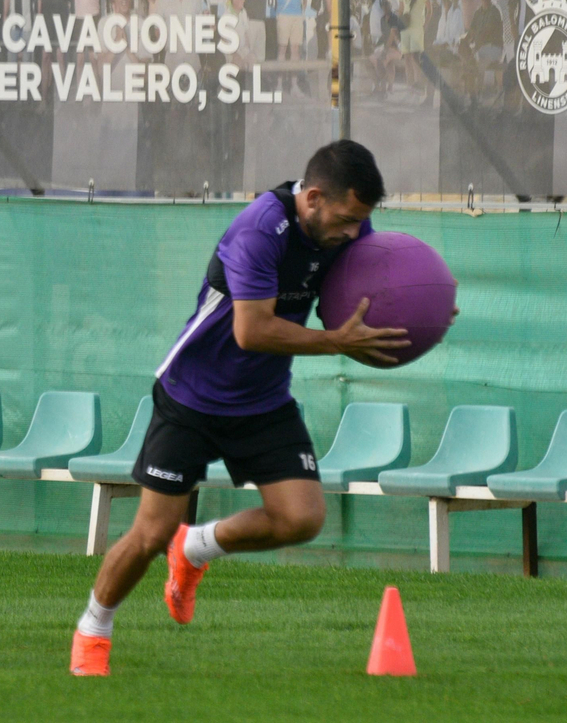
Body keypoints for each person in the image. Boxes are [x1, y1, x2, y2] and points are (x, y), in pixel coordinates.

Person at [71, 141, 419, 677]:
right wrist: (335, 343)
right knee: (150, 534)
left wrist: (423, 307)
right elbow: (251, 331)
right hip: (192, 397)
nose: (355, 233)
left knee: (301, 518)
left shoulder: (347, 228)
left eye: (361, 221)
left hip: (263, 401)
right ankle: (93, 630)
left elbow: (377, 285)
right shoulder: (259, 230)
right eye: (348, 219)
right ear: (314, 198)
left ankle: (195, 549)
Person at [396, 0, 433, 104]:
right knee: (407, 58)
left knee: (416, 58)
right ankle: (410, 86)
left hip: (417, 27)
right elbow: (400, 9)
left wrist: (426, 24)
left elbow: (430, 9)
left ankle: (419, 86)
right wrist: (398, 25)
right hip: (406, 27)